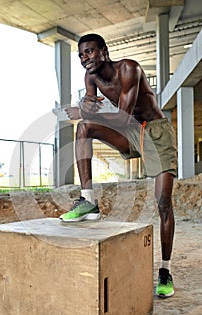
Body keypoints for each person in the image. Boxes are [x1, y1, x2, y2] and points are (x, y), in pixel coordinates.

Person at [59, 33, 177, 298]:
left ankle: (165, 271)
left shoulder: (129, 69)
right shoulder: (91, 77)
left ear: (103, 50)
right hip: (131, 133)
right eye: (80, 55)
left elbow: (123, 118)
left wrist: (86, 111)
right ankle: (88, 200)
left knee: (163, 204)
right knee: (84, 127)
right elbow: (90, 108)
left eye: (89, 52)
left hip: (155, 133)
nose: (84, 58)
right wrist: (84, 107)